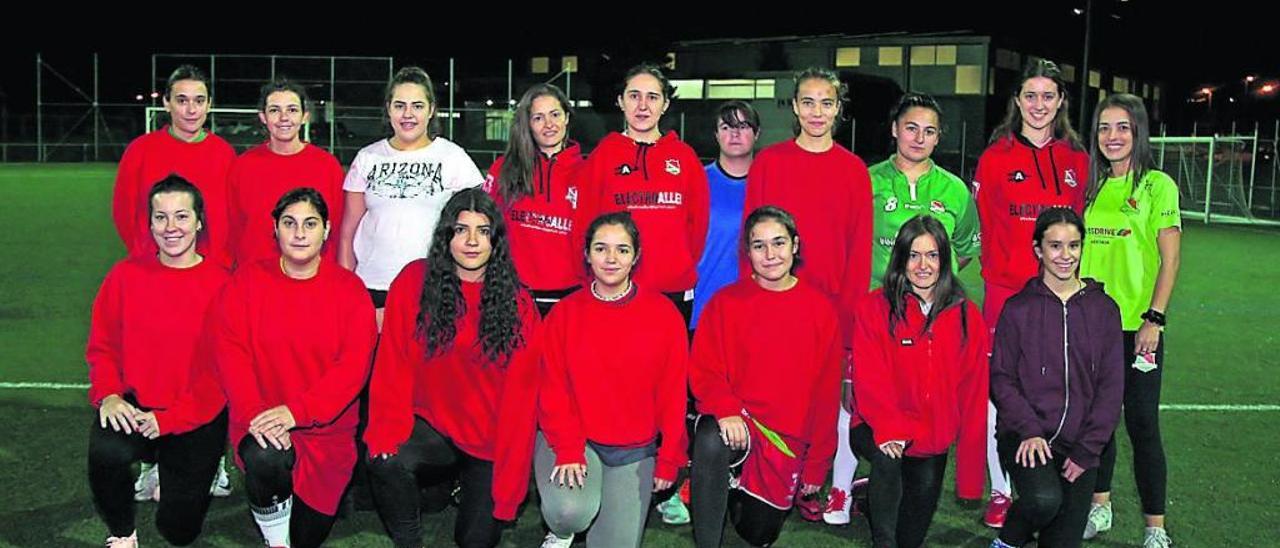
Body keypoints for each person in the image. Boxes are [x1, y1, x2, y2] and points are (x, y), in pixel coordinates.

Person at [363, 189, 541, 548]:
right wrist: (385, 432)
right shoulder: (414, 281)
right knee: (387, 460)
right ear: (446, 236)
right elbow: (392, 365)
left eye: (483, 231)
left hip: (489, 440)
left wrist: (507, 487)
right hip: (432, 426)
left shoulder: (518, 304)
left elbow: (522, 404)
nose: (472, 241)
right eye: (461, 230)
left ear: (497, 240)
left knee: (474, 541)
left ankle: (458, 486)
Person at [211, 188, 377, 548]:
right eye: (289, 223)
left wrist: (296, 412)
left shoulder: (350, 291)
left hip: (326, 433)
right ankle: (276, 543)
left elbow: (351, 370)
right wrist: (260, 414)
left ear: (327, 230)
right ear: (275, 229)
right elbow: (230, 354)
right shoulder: (246, 282)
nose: (300, 233)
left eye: (310, 223)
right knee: (266, 458)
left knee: (307, 536)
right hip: (261, 424)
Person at [744, 66, 873, 522]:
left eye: (827, 102)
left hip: (829, 312)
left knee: (820, 406)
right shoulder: (770, 163)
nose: (817, 111)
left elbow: (859, 253)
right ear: (795, 107)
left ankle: (815, 482)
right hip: (772, 305)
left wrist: (850, 322)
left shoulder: (854, 170)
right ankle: (764, 476)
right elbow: (752, 237)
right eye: (808, 102)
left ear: (838, 110)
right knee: (770, 395)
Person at [974, 59, 1090, 527]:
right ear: (1017, 101)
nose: (1039, 105)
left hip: (1061, 295)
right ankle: (1002, 490)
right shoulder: (995, 156)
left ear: (1060, 101)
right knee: (998, 391)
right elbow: (985, 226)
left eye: (1048, 96)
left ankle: (1058, 480)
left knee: (1059, 386)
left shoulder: (1077, 160)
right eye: (1030, 95)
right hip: (1006, 294)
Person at [87, 176, 230, 547]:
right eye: (161, 217)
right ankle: (122, 533)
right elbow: (102, 347)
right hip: (135, 405)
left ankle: (189, 469)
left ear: (199, 221)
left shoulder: (224, 285)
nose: (171, 228)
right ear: (149, 223)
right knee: (107, 453)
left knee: (178, 531)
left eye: (181, 216)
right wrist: (110, 395)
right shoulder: (124, 276)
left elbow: (223, 376)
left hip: (193, 414)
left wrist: (169, 420)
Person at [688, 206, 841, 547]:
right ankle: (709, 525)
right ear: (747, 252)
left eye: (779, 243)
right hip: (737, 423)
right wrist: (725, 408)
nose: (770, 255)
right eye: (759, 246)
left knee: (757, 533)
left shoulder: (820, 310)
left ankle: (733, 490)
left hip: (784, 439)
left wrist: (816, 465)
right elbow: (705, 369)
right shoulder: (726, 302)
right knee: (711, 437)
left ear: (795, 246)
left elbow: (827, 395)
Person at [536, 212, 689, 548]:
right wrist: (568, 448)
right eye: (601, 248)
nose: (611, 258)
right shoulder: (565, 314)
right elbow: (552, 390)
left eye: (622, 249)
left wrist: (670, 458)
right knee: (569, 511)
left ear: (635, 257)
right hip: (577, 440)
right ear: (587, 255)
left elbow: (674, 394)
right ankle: (561, 533)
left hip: (633, 448)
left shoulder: (664, 315)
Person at [1079, 93, 1182, 548]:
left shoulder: (1157, 185)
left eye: (1122, 127)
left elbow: (1170, 260)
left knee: (1142, 424)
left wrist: (1154, 319)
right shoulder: (1094, 187)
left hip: (1139, 327)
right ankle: (1099, 507)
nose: (1112, 136)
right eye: (1104, 127)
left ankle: (1155, 528)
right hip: (1092, 327)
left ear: (1138, 132)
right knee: (1096, 423)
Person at [989, 207, 1124, 548]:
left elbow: (1111, 388)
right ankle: (1005, 542)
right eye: (1055, 246)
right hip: (1025, 436)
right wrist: (1029, 430)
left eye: (1074, 246)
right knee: (1043, 500)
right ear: (1038, 249)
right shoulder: (1018, 308)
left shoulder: (1104, 309)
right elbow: (1002, 379)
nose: (1066, 256)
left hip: (1080, 444)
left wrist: (1087, 451)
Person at [850, 215, 988, 548]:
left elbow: (974, 397)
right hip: (875, 425)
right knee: (888, 463)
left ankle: (869, 499)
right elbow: (869, 378)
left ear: (946, 259)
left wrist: (970, 478)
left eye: (932, 255)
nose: (922, 265)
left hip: (932, 438)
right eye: (913, 255)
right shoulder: (874, 307)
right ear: (900, 259)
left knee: (909, 537)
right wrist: (889, 428)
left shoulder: (968, 315)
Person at [339, 66, 485, 329]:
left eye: (417, 105)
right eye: (399, 105)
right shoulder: (367, 157)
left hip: (432, 286)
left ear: (431, 110)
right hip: (372, 286)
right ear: (388, 109)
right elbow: (348, 233)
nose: (408, 114)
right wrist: (343, 289)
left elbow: (474, 231)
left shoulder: (454, 158)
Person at [572, 63, 709, 325]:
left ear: (665, 104)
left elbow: (697, 227)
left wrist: (675, 266)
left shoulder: (685, 158)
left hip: (673, 290)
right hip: (616, 288)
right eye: (634, 96)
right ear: (621, 102)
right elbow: (585, 225)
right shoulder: (603, 156)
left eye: (652, 97)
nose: (642, 106)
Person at [113, 64, 235, 270]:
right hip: (153, 268)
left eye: (199, 100)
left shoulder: (224, 153)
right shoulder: (140, 151)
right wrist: (144, 253)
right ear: (166, 103)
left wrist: (219, 261)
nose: (191, 109)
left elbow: (233, 216)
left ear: (209, 104)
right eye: (181, 100)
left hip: (211, 271)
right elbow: (123, 211)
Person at [484, 83, 583, 317]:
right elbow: (485, 226)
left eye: (555, 114)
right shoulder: (503, 170)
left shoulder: (587, 172)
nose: (549, 124)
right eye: (538, 118)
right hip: (516, 296)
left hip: (570, 297)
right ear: (527, 124)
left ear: (567, 117)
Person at [227, 77, 345, 269]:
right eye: (275, 110)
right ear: (263, 117)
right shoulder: (243, 166)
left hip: (311, 279)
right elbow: (234, 229)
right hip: (256, 279)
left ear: (305, 116)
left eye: (292, 110)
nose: (284, 118)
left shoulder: (327, 166)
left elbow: (337, 230)